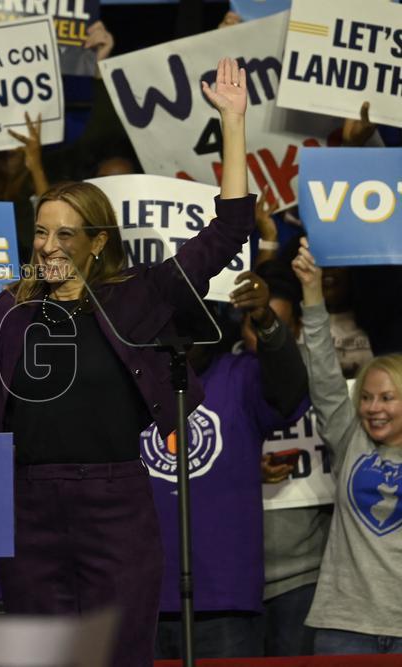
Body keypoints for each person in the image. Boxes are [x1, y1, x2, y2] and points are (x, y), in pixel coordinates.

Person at [0, 58, 253, 667]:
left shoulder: (137, 296)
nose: (48, 247)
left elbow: (230, 229)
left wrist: (233, 121)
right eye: (41, 233)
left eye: (65, 235)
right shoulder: (7, 309)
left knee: (121, 654)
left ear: (98, 241)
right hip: (27, 504)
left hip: (116, 502)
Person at [151, 267, 309, 659]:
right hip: (141, 598)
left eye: (194, 324)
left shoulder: (241, 376)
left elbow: (289, 393)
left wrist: (267, 322)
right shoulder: (134, 381)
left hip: (225, 601)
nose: (183, 339)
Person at [291, 239, 402, 656]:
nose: (373, 408)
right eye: (368, 398)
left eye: (387, 398)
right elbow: (322, 372)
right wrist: (312, 293)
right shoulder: (350, 436)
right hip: (344, 627)